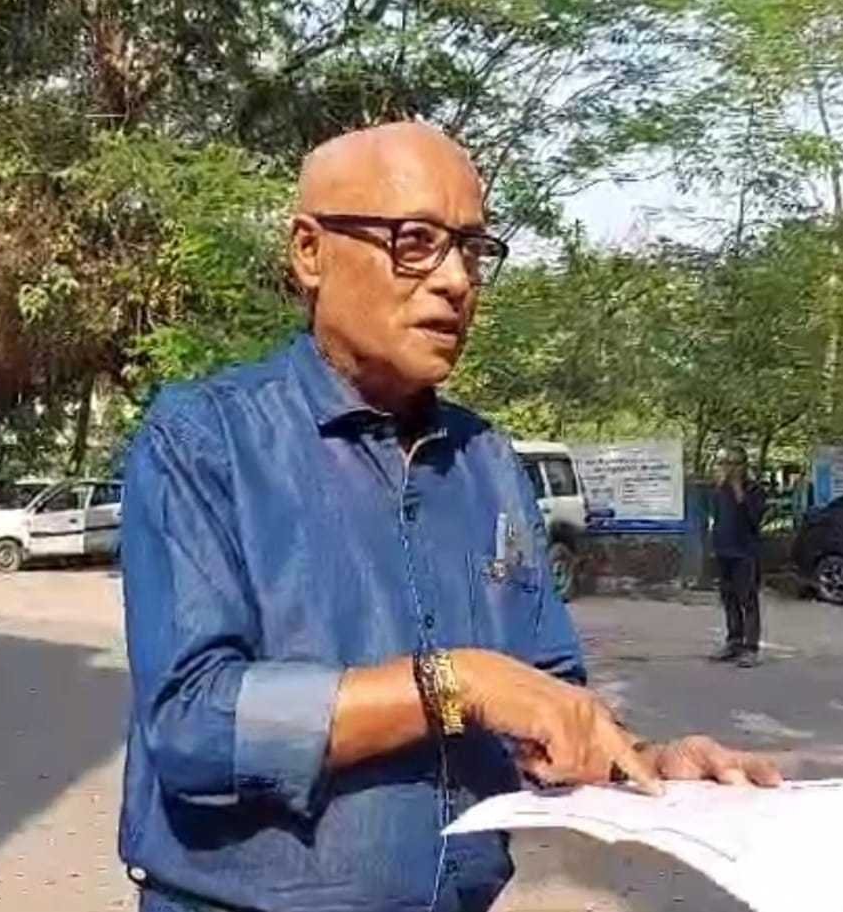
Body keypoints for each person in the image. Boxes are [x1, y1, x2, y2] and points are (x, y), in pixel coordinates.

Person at [117, 121, 781, 912]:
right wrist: (451, 684)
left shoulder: (486, 462)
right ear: (310, 251)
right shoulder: (206, 439)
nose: (457, 280)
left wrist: (643, 761)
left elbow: (541, 693)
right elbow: (194, 722)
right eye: (416, 242)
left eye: (471, 249)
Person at [709, 446, 767, 668]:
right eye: (723, 463)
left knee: (748, 600)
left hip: (745, 553)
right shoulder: (719, 490)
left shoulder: (754, 490)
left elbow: (755, 519)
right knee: (729, 599)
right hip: (724, 551)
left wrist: (739, 493)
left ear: (743, 466)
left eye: (732, 464)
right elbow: (717, 519)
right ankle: (733, 642)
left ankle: (751, 648)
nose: (727, 469)